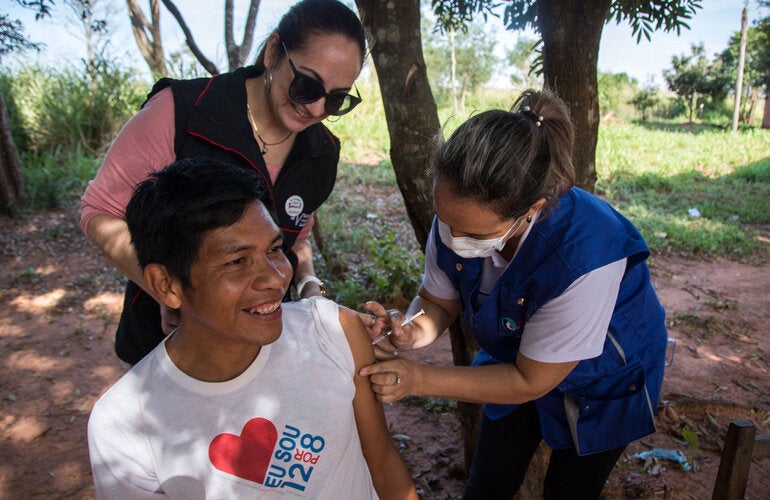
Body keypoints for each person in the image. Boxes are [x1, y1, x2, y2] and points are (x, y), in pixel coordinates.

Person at [359, 89, 668, 499]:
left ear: (531, 209)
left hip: (605, 375)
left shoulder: (587, 254)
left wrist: (418, 378)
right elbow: (437, 302)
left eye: (474, 233)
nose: (454, 238)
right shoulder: (456, 219)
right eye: (447, 221)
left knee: (570, 491)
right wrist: (410, 331)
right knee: (488, 482)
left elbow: (528, 380)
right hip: (515, 361)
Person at [87, 157, 418, 499]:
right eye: (237, 262)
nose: (276, 279)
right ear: (167, 284)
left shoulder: (332, 332)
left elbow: (382, 462)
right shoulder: (123, 425)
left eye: (274, 249)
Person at [80, 0, 366, 364]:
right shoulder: (183, 112)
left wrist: (309, 284)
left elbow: (297, 236)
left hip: (264, 345)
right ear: (274, 51)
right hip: (166, 345)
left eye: (337, 99)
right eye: (307, 86)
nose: (316, 110)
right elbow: (100, 211)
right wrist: (171, 293)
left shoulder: (322, 151)